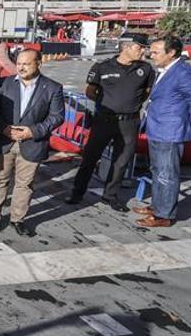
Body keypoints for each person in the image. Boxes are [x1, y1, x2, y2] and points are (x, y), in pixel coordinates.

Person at [65, 36, 154, 211]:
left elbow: (147, 92)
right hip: (104, 121)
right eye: (139, 47)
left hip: (129, 122)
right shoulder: (102, 67)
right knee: (90, 158)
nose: (143, 51)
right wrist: (109, 104)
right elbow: (90, 91)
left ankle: (110, 196)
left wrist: (129, 105)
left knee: (121, 162)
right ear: (126, 47)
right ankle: (77, 193)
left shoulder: (145, 69)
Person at [0, 49, 64, 237]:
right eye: (19, 63)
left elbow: (57, 117)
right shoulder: (4, 83)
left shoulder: (52, 87)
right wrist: (3, 128)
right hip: (4, 140)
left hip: (32, 143)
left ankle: (17, 219)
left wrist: (33, 131)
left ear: (39, 63)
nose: (21, 67)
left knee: (24, 184)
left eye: (26, 64)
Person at [135, 36, 191, 227]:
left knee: (167, 174)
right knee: (158, 170)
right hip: (157, 128)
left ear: (171, 52)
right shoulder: (166, 70)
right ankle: (157, 206)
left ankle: (164, 215)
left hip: (170, 131)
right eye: (151, 51)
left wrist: (188, 127)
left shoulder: (183, 72)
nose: (151, 55)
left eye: (156, 52)